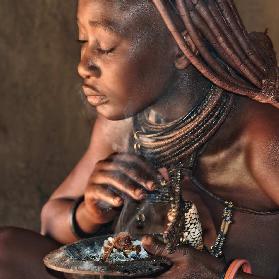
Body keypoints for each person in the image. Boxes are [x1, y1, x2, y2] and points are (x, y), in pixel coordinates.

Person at [0, 0, 278, 278]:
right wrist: (89, 212)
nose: (83, 66)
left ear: (183, 48)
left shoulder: (261, 139)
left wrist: (218, 274)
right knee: (7, 249)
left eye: (106, 46)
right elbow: (50, 223)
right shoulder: (122, 125)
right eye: (83, 40)